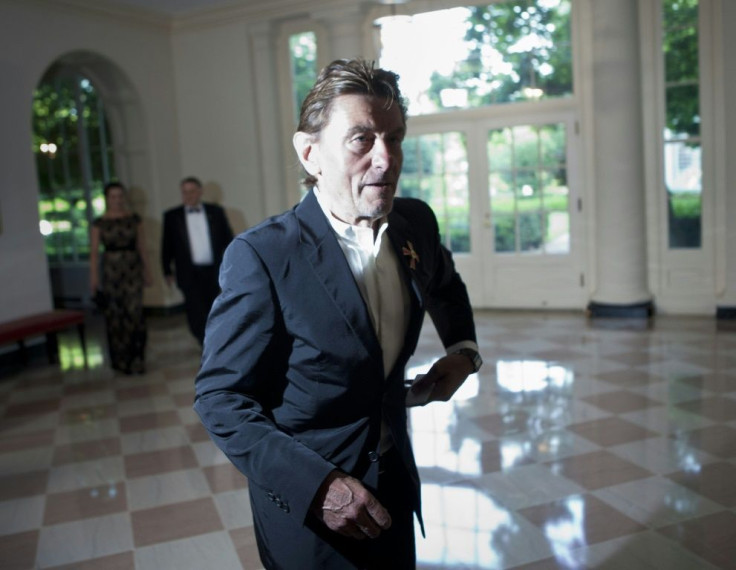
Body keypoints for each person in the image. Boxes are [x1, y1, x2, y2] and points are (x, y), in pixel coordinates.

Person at [194, 58, 482, 569]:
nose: (386, 158)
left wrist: (463, 351)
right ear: (310, 153)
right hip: (309, 509)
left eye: (395, 138)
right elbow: (220, 399)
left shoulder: (415, 222)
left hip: (394, 483)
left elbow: (445, 285)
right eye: (362, 139)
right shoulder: (264, 256)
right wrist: (319, 487)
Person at [161, 176, 234, 344]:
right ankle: (204, 343)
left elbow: (228, 240)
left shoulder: (215, 212)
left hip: (213, 270)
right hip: (188, 272)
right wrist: (166, 270)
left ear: (200, 192)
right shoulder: (172, 216)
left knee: (213, 308)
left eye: (192, 191)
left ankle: (212, 342)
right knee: (194, 310)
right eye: (184, 192)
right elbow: (166, 246)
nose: (188, 196)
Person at [90, 181, 152, 375]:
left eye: (120, 196)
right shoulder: (99, 223)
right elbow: (93, 253)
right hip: (111, 272)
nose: (117, 200)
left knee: (135, 314)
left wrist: (147, 271)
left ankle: (138, 358)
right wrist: (93, 279)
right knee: (116, 316)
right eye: (113, 197)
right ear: (107, 199)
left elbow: (142, 247)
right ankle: (120, 359)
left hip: (132, 270)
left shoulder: (135, 219)